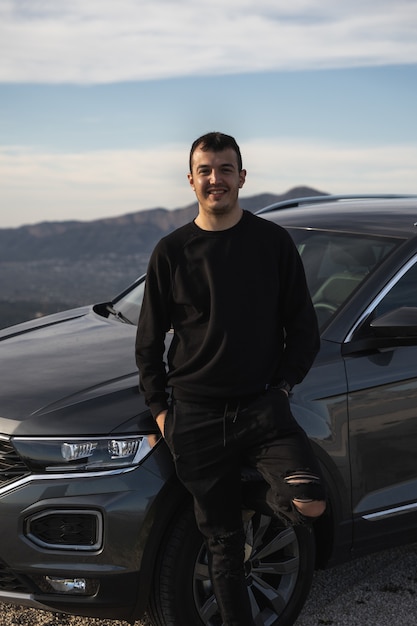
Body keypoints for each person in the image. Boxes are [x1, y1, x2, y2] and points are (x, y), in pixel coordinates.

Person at [135, 131, 326, 626]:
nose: (215, 179)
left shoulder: (272, 243)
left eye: (224, 169)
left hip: (262, 410)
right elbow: (149, 342)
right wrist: (161, 411)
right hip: (194, 416)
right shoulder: (172, 251)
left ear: (242, 177)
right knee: (224, 549)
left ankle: (224, 499)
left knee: (310, 503)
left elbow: (303, 329)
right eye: (205, 170)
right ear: (191, 180)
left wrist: (282, 389)